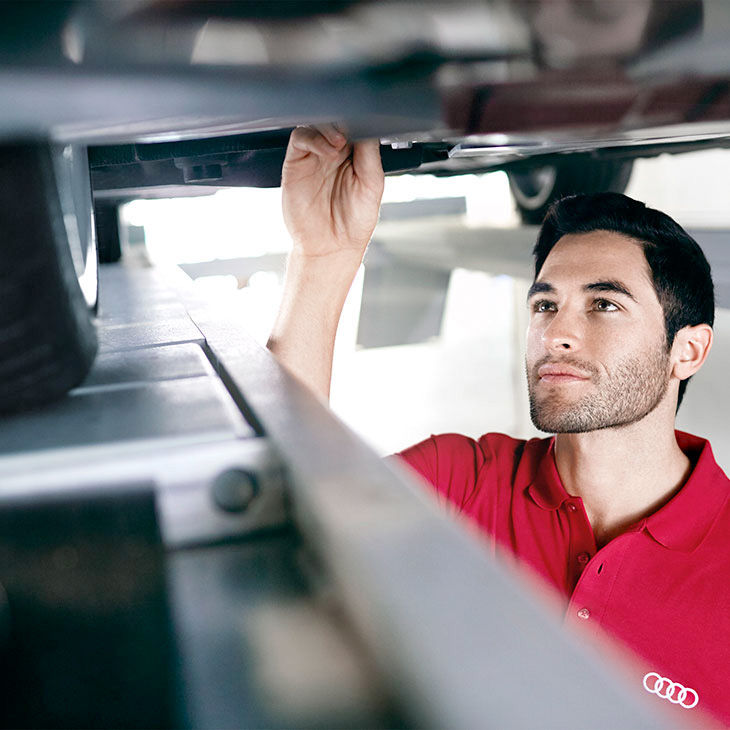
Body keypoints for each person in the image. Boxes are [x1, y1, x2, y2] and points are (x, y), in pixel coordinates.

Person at [267, 126, 729, 726]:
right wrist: (321, 257)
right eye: (545, 304)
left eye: (604, 304)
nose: (557, 333)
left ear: (687, 351)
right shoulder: (459, 483)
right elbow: (273, 514)